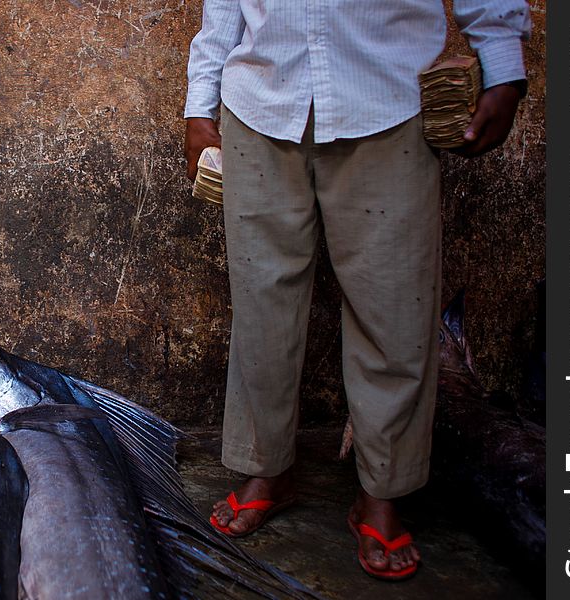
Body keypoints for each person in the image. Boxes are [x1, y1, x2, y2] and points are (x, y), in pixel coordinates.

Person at [183, 0, 530, 580]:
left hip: (386, 100)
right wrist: (200, 105)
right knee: (262, 303)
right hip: (259, 102)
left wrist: (502, 64)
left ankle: (382, 490)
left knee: (394, 306)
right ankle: (268, 466)